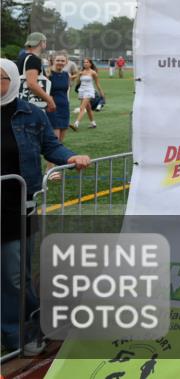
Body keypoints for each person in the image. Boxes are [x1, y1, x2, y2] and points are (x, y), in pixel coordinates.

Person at [1, 58, 91, 354]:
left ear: (12, 80)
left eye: (0, 77)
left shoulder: (30, 114)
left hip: (17, 204)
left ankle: (23, 334)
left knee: (15, 273)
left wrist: (71, 156)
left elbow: (50, 146)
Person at [16, 33, 55, 113]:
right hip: (32, 106)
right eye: (45, 42)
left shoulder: (22, 57)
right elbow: (32, 84)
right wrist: (49, 100)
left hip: (21, 103)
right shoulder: (33, 59)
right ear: (41, 43)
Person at [71, 58, 104, 130]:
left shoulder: (93, 73)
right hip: (82, 91)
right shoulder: (81, 72)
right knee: (88, 108)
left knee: (82, 108)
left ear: (90, 64)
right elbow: (73, 77)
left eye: (87, 62)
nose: (85, 63)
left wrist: (102, 94)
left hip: (89, 91)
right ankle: (93, 123)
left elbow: (97, 84)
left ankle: (76, 124)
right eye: (84, 62)